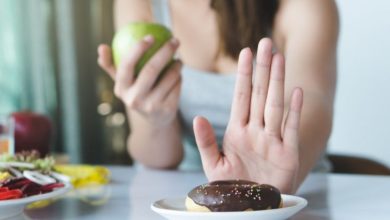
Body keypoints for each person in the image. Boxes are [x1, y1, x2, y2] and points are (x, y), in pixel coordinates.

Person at [98, 0, 339, 194]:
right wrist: (155, 119)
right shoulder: (140, 4)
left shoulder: (304, 5)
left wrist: (274, 178)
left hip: (297, 191)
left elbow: (314, 101)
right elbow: (162, 160)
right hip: (185, 198)